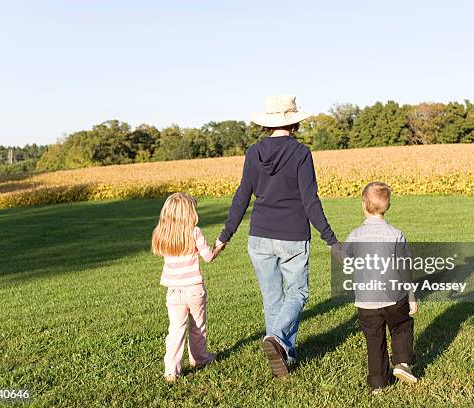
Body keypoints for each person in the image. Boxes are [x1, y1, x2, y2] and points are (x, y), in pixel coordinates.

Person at [216, 95, 339, 378]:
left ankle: (285, 355)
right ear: (294, 122)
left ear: (268, 123)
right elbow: (311, 201)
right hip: (293, 235)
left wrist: (225, 236)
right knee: (298, 292)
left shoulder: (253, 153)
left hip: (259, 236)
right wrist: (330, 239)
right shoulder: (300, 153)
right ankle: (278, 340)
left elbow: (242, 196)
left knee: (272, 298)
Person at [343, 182, 418, 392]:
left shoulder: (356, 235)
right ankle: (402, 363)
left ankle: (378, 384)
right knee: (401, 325)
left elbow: (345, 258)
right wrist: (411, 294)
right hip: (394, 296)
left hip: (366, 301)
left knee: (374, 341)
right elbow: (405, 267)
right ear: (388, 206)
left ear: (363, 205)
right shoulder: (396, 234)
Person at [152, 192, 225, 382]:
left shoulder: (163, 234)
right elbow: (208, 257)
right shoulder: (194, 232)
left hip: (174, 292)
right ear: (189, 213)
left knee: (175, 330)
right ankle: (200, 358)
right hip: (194, 289)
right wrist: (219, 246)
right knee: (197, 327)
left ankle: (171, 371)